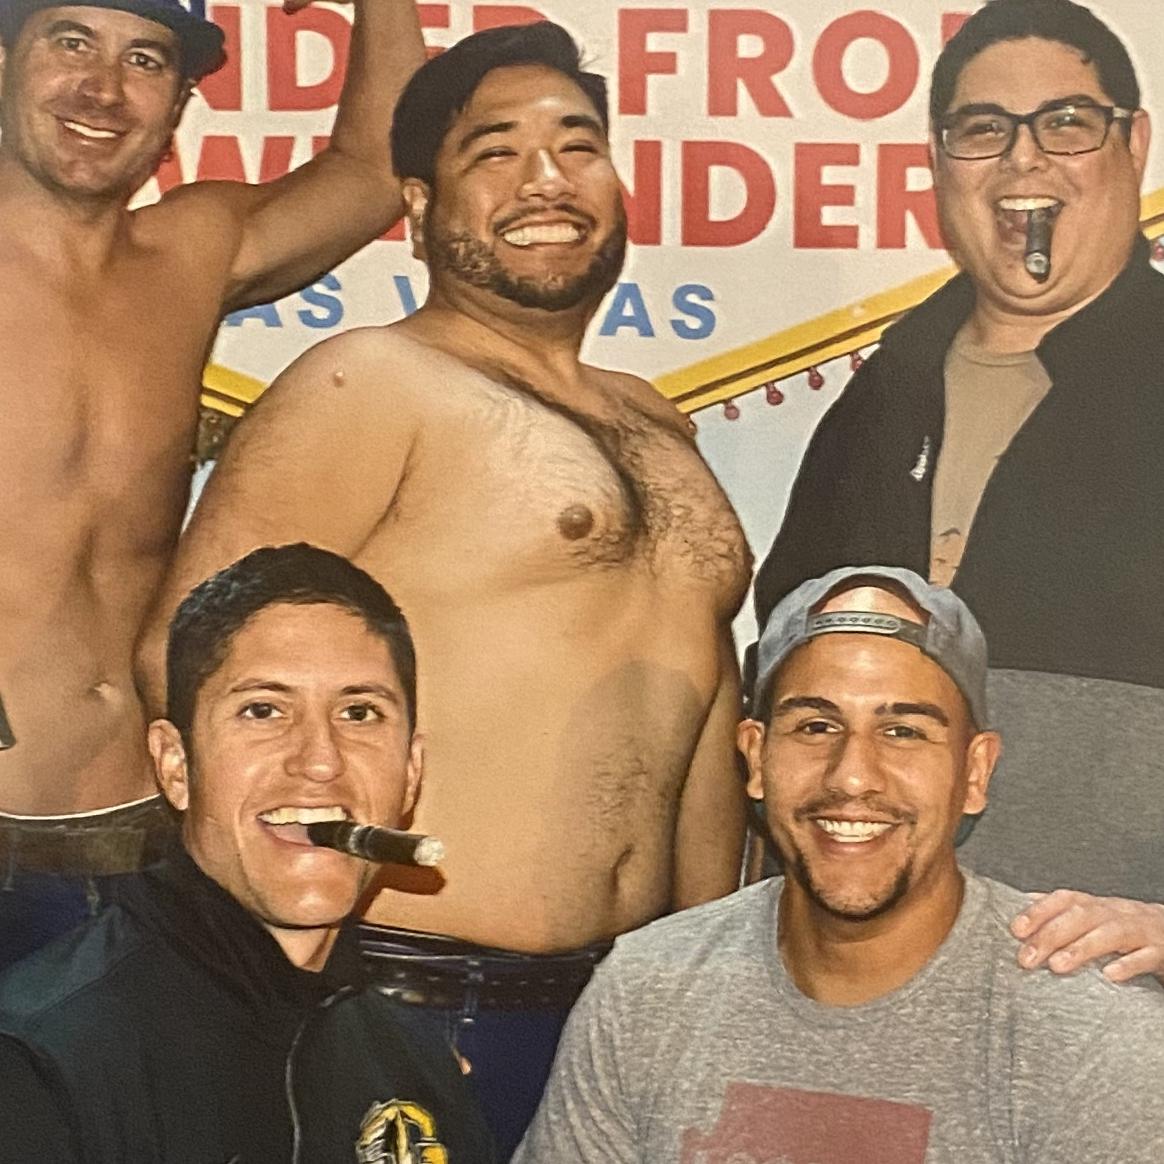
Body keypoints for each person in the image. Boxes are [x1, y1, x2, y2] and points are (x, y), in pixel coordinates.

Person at [142, 21, 751, 1155]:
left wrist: (711, 978)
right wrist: (292, 963)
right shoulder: (370, 379)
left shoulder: (658, 421)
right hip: (406, 998)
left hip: (631, 1014)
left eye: (578, 145)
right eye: (496, 151)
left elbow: (706, 708)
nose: (547, 178)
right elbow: (187, 656)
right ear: (419, 208)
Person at [0, 0, 425, 967]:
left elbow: (373, 171)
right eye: (72, 42)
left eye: (144, 60)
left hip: (148, 837)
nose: (103, 89)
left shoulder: (190, 250)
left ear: (181, 101)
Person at [750, 0, 1164, 974]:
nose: (1024, 160)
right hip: (859, 1002)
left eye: (1067, 123)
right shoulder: (878, 400)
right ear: (939, 166)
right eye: (984, 129)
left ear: (1135, 146)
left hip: (1115, 1022)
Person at [517, 566, 1164, 1163]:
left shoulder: (1086, 1025)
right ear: (756, 758)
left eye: (903, 731)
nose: (852, 776)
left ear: (975, 772)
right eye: (816, 727)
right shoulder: (645, 991)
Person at [0, 543, 495, 1162]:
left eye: (359, 712)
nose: (320, 760)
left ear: (411, 773)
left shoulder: (413, 1064)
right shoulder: (38, 1062)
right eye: (263, 710)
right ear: (175, 765)